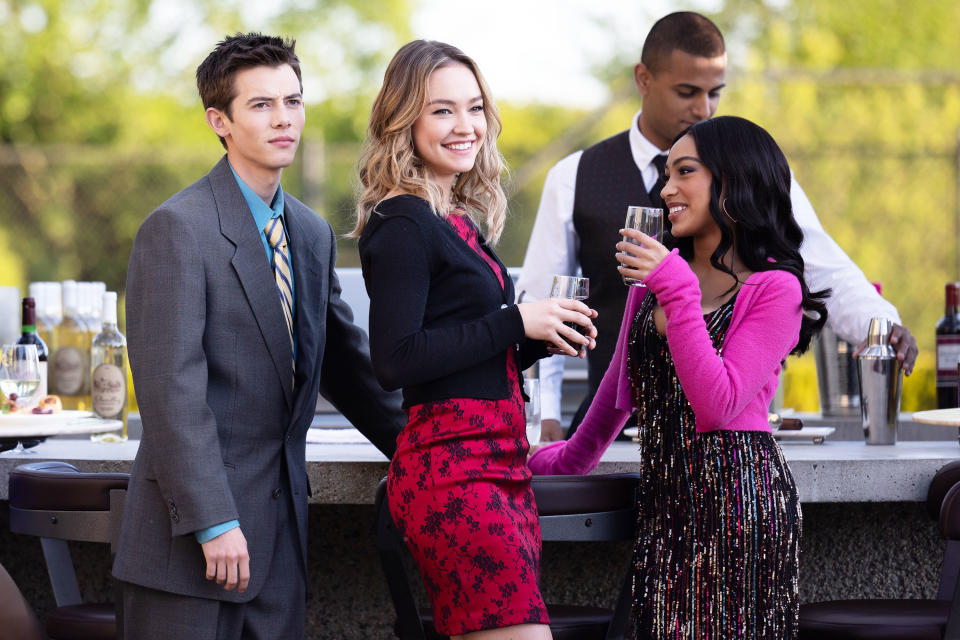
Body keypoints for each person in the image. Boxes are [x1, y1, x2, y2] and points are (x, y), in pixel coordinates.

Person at [113, 33, 405, 640]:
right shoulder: (176, 229)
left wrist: (426, 446)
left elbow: (347, 366)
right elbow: (170, 393)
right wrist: (213, 520)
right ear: (218, 120)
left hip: (280, 545)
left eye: (293, 102)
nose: (284, 120)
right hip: (191, 545)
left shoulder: (311, 231)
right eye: (262, 105)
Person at [516, 11, 918, 441]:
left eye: (714, 93)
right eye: (687, 92)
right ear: (644, 79)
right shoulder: (573, 175)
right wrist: (544, 422)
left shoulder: (750, 175)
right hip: (611, 432)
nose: (703, 109)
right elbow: (546, 303)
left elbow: (822, 266)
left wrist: (880, 324)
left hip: (723, 440)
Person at [530, 115, 827, 638]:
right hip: (665, 511)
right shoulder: (655, 284)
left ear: (733, 180)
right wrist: (548, 462)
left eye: (683, 172)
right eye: (665, 174)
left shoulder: (775, 289)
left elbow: (718, 403)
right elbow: (615, 397)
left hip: (741, 506)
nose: (666, 189)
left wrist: (678, 289)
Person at [353, 40, 597, 640]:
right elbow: (397, 359)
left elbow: (463, 350)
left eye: (474, 107)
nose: (465, 126)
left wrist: (539, 337)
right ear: (402, 119)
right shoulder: (403, 220)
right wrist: (517, 321)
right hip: (453, 471)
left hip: (497, 462)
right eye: (441, 110)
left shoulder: (453, 216)